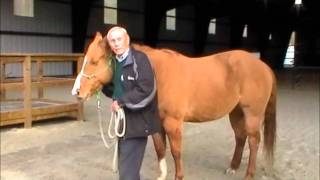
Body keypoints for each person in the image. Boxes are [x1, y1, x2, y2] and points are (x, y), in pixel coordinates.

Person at [103, 26, 161, 180]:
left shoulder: (140, 59)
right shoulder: (114, 62)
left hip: (138, 123)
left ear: (127, 39)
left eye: (119, 39)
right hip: (123, 123)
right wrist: (99, 85)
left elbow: (146, 89)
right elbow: (114, 89)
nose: (116, 44)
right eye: (112, 41)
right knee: (128, 169)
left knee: (127, 173)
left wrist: (121, 101)